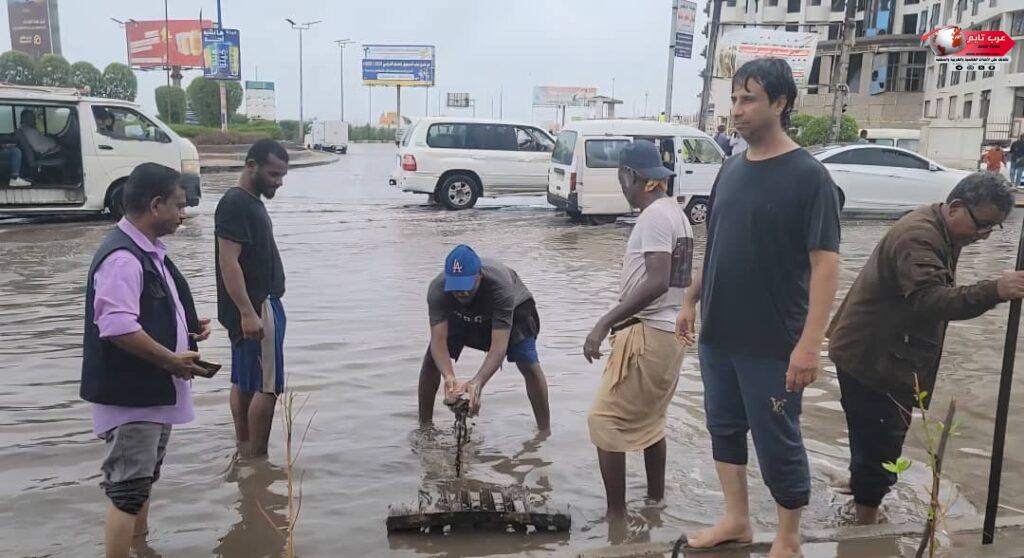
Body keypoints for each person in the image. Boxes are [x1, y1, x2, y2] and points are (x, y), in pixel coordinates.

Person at [677, 58, 841, 557]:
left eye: (748, 99)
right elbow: (719, 244)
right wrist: (690, 298)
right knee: (723, 427)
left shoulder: (809, 177)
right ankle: (737, 520)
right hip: (719, 332)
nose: (737, 110)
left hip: (773, 341)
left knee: (777, 438)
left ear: (781, 103)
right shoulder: (730, 167)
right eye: (734, 99)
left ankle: (788, 539)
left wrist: (810, 345)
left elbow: (826, 266)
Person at [828, 173, 1023, 525]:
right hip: (874, 358)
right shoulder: (919, 236)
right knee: (882, 438)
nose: (984, 236)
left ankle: (862, 485)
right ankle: (866, 521)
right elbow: (930, 300)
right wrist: (995, 289)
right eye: (983, 226)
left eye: (994, 229)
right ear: (956, 208)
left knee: (872, 432)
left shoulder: (942, 229)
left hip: (878, 350)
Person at [79, 162, 212, 558]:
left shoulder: (144, 250)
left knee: (141, 484)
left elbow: (144, 308)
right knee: (127, 491)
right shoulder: (123, 257)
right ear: (156, 205)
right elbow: (117, 326)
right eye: (179, 205)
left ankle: (142, 547)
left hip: (148, 394)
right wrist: (171, 360)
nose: (183, 213)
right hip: (130, 397)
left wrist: (186, 328)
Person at [583, 140, 695, 519]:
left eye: (621, 178)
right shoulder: (675, 212)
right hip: (667, 333)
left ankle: (616, 517)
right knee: (651, 421)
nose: (621, 187)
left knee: (603, 420)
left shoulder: (654, 217)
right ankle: (655, 503)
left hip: (647, 333)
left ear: (632, 176)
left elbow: (659, 279)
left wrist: (604, 322)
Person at [419, 244, 551, 430]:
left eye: (466, 286)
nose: (461, 293)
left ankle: (544, 431)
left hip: (514, 310)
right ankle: (425, 427)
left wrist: (477, 382)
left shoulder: (500, 286)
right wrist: (448, 377)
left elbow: (499, 347)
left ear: (479, 276)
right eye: (455, 288)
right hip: (463, 314)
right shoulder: (437, 290)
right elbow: (439, 341)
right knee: (431, 360)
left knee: (528, 362)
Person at [216, 139, 290, 458]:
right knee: (269, 387)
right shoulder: (236, 203)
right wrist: (248, 311)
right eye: (273, 175)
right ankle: (258, 461)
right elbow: (228, 261)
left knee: (245, 380)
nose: (278, 182)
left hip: (254, 306)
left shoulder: (246, 202)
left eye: (282, 176)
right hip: (259, 306)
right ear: (251, 166)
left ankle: (244, 450)